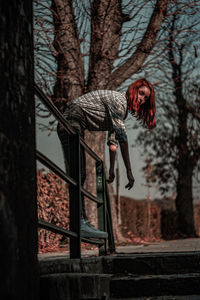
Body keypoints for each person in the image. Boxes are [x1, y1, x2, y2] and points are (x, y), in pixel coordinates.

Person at [57, 78, 156, 239]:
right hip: (71, 121)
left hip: (76, 124)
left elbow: (113, 142)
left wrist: (111, 170)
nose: (142, 99)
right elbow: (123, 139)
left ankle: (81, 221)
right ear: (133, 90)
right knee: (78, 173)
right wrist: (129, 172)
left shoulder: (120, 112)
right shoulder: (119, 101)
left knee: (79, 174)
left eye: (145, 99)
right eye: (141, 94)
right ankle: (79, 222)